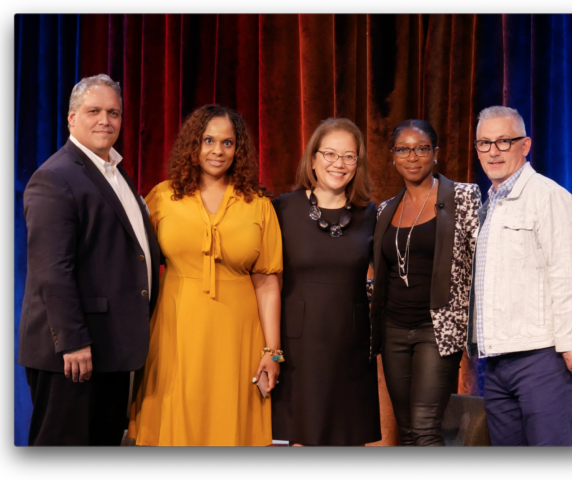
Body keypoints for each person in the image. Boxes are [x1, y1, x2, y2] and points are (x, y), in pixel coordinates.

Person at [18, 74, 161, 445]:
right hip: (75, 354)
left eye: (113, 112)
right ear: (71, 118)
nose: (105, 120)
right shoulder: (55, 177)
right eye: (94, 111)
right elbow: (52, 270)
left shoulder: (114, 172)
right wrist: (72, 341)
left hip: (111, 347)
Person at [127, 105, 282, 446]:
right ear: (193, 144)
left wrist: (273, 352)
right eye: (208, 140)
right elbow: (136, 266)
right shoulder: (163, 197)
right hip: (175, 329)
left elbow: (268, 282)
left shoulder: (258, 204)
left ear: (238, 149)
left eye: (227, 143)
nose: (217, 150)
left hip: (238, 336)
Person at [467, 106, 572, 446]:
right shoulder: (489, 205)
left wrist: (569, 345)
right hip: (497, 363)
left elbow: (568, 277)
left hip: (543, 360)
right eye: (484, 143)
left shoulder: (548, 197)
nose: (493, 151)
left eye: (504, 141)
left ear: (525, 145)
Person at [270, 118, 381, 446]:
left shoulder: (372, 214)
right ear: (313, 159)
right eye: (330, 154)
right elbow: (266, 281)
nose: (339, 164)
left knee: (348, 435)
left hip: (351, 346)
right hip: (297, 348)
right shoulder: (281, 209)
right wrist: (270, 349)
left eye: (349, 156)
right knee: (302, 435)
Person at [370, 119, 481, 446]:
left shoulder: (463, 197)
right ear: (393, 156)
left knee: (424, 426)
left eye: (421, 148)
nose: (412, 156)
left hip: (437, 328)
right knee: (406, 429)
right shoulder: (385, 210)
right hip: (393, 329)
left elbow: (480, 261)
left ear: (435, 154)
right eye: (403, 149)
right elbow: (383, 273)